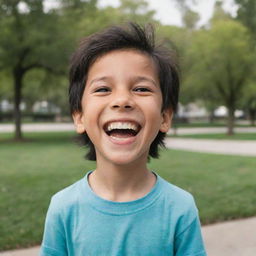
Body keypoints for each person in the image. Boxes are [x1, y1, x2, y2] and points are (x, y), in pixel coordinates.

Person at [40, 22, 207, 256]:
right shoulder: (63, 208)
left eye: (141, 89)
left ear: (165, 117)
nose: (122, 100)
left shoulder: (180, 208)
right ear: (79, 117)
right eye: (102, 89)